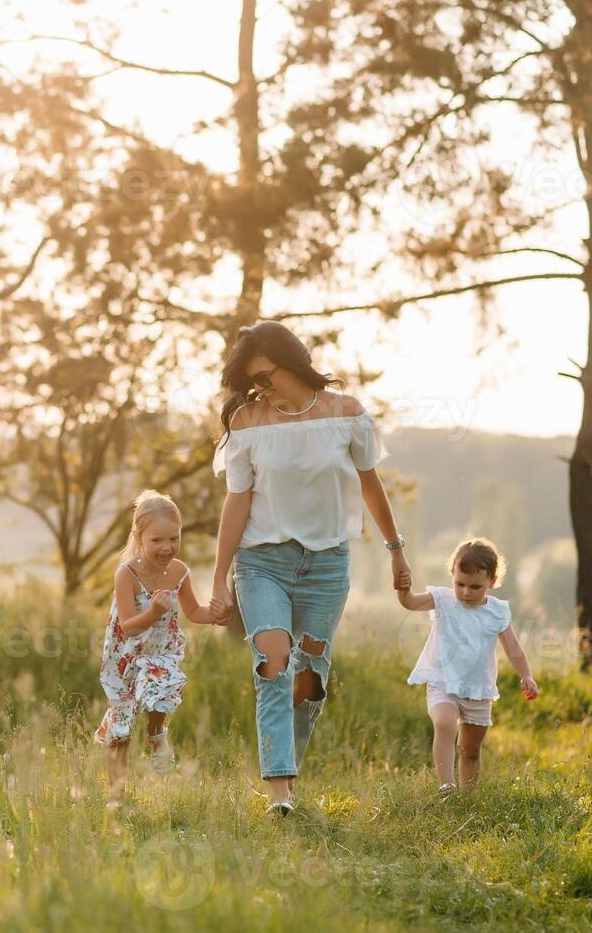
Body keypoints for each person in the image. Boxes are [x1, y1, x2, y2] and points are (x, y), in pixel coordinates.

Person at [209, 320, 411, 817]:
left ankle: (288, 765)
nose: (260, 386)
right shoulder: (249, 423)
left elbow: (370, 484)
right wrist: (218, 579)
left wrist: (395, 548)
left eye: (267, 374)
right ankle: (280, 792)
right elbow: (237, 504)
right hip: (261, 562)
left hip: (326, 563)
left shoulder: (347, 415)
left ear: (293, 362)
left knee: (309, 679)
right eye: (252, 379)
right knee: (273, 664)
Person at [95, 489, 224, 809]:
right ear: (139, 537)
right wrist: (154, 611)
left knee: (162, 686)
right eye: (157, 540)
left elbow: (194, 611)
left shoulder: (179, 571)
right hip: (125, 653)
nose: (166, 547)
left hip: (159, 650)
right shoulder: (126, 574)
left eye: (173, 538)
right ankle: (115, 798)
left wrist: (216, 614)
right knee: (121, 725)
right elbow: (128, 625)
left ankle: (156, 734)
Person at [399, 536, 540, 796]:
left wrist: (527, 676)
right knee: (444, 723)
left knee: (470, 750)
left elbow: (513, 649)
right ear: (451, 574)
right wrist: (403, 588)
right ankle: (446, 786)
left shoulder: (497, 611)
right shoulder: (442, 599)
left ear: (492, 581)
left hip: (478, 689)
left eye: (475, 587)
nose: (465, 592)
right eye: (459, 584)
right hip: (444, 681)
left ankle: (468, 796)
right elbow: (409, 603)